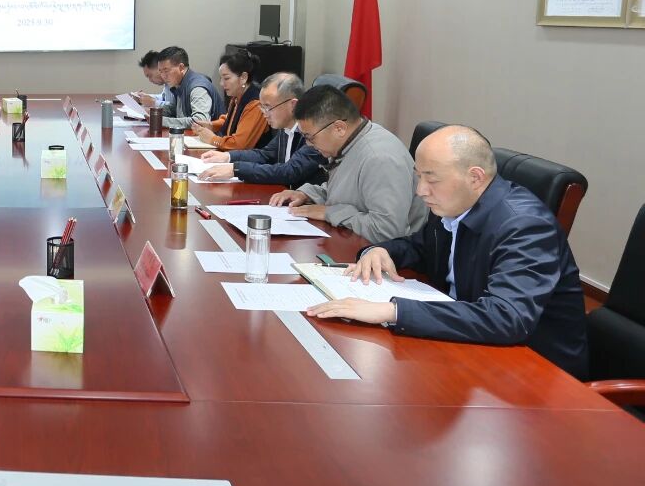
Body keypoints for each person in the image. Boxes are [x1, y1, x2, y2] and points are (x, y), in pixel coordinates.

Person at [306, 125, 589, 379]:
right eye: (419, 177)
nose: (421, 190)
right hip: (467, 342)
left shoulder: (525, 225)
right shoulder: (455, 203)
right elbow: (421, 247)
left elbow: (506, 317)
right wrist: (381, 250)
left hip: (533, 372)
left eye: (431, 179)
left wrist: (393, 311)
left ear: (475, 177)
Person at [269, 85, 426, 243]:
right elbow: (349, 193)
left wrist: (329, 213)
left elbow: (386, 231)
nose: (308, 144)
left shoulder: (379, 159)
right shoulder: (351, 141)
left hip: (389, 253)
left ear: (339, 128)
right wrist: (307, 194)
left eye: (310, 137)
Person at [197, 73, 327, 186]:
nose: (264, 114)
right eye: (262, 107)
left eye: (268, 107)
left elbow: (289, 171)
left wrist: (236, 169)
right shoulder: (285, 128)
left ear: (293, 105)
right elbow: (264, 155)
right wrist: (228, 156)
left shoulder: (313, 133)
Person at [193, 48, 269, 150]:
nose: (221, 83)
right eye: (221, 78)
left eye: (226, 78)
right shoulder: (237, 95)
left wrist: (212, 139)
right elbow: (230, 120)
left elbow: (239, 145)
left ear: (243, 77)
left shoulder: (256, 103)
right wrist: (211, 125)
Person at [156, 46, 221, 129]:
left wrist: (161, 121)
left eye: (166, 71)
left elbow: (200, 122)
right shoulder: (179, 83)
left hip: (213, 136)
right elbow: (174, 110)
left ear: (181, 68)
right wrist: (154, 113)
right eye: (160, 72)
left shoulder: (197, 88)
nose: (163, 76)